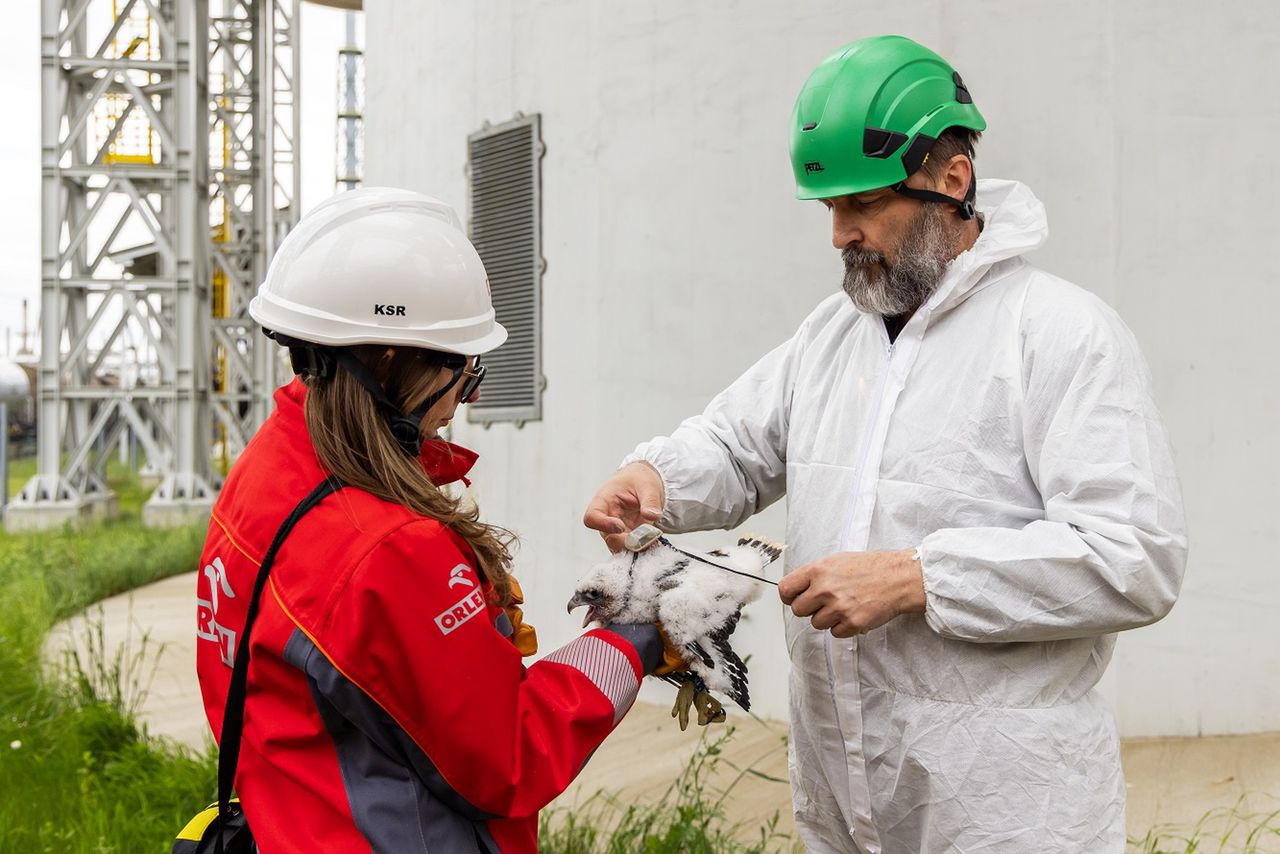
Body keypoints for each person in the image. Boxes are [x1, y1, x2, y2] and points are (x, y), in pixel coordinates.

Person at [584, 35, 1187, 853]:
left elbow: (1134, 558)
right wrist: (655, 475)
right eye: (829, 209)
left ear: (950, 180)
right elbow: (734, 445)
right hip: (845, 795)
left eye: (863, 204)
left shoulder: (1059, 334)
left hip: (1007, 807)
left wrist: (918, 577)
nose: (839, 234)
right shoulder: (836, 334)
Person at [196, 188, 668, 853]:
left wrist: (455, 651)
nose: (463, 401)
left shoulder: (269, 467)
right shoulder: (389, 549)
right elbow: (510, 758)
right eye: (465, 370)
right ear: (393, 362)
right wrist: (636, 631)